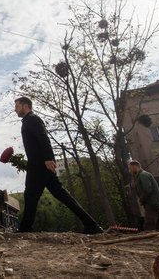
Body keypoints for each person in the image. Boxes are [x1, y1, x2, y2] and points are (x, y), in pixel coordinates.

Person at [13, 97, 103, 234]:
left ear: (25, 106)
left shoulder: (33, 119)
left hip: (40, 166)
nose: (15, 109)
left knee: (31, 196)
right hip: (37, 165)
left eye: (17, 106)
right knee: (61, 196)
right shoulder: (27, 121)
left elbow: (43, 138)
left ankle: (25, 229)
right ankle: (91, 225)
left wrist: (48, 158)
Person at [128, 160, 159, 231]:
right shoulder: (140, 176)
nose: (130, 170)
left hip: (151, 203)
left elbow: (148, 189)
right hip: (154, 202)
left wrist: (141, 199)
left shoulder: (143, 175)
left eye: (130, 168)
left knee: (149, 224)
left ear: (135, 166)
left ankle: (149, 238)